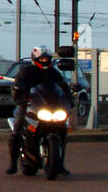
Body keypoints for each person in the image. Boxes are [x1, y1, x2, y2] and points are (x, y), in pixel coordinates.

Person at [6, 45, 72, 175]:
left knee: (63, 132)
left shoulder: (54, 73)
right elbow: (17, 87)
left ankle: (59, 164)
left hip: (50, 107)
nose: (44, 61)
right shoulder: (26, 72)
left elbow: (63, 87)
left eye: (47, 58)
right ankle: (12, 163)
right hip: (29, 106)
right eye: (42, 59)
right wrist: (19, 97)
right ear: (35, 59)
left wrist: (69, 99)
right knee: (17, 131)